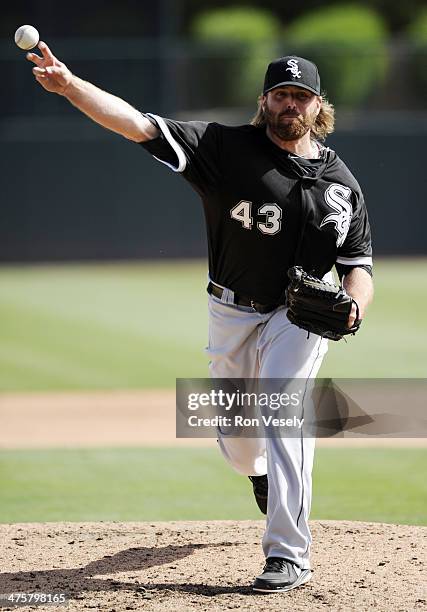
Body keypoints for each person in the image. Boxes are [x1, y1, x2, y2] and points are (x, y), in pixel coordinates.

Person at [27, 45, 374, 593]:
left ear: (317, 106)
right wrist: (70, 86)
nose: (291, 104)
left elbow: (359, 268)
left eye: (300, 96)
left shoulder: (342, 185)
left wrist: (355, 303)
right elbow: (136, 125)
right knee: (239, 447)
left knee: (284, 414)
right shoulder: (222, 148)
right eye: (281, 94)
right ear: (264, 101)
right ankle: (258, 475)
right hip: (231, 311)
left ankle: (288, 554)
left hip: (301, 317)